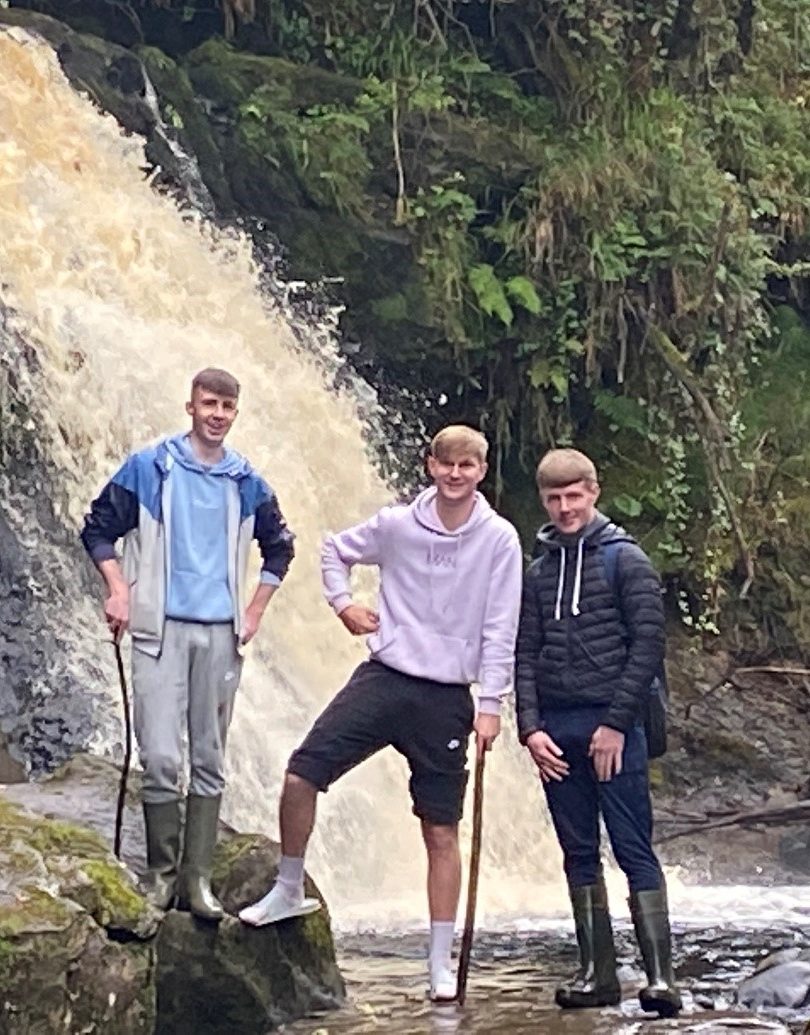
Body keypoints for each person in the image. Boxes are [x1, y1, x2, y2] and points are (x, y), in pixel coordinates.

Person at [238, 425, 523, 1001]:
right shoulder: (397, 525)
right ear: (430, 465)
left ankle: (439, 961)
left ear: (481, 471)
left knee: (440, 829)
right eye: (446, 463)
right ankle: (288, 888)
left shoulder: (499, 539)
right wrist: (343, 604)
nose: (455, 474)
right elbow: (334, 550)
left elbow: (501, 624)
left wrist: (491, 704)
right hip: (385, 677)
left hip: (447, 695)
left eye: (467, 465)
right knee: (301, 773)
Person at [81, 367, 294, 921]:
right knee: (158, 756)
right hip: (158, 629)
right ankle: (161, 876)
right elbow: (97, 528)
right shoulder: (149, 468)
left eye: (226, 406)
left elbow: (280, 547)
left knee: (209, 757)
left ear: (235, 413)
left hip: (221, 633)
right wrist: (118, 590)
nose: (217, 415)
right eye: (209, 404)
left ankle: (196, 882)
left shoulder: (246, 481)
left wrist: (254, 610)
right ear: (190, 406)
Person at [515, 448, 681, 1017]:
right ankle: (597, 974)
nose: (565, 507)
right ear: (544, 500)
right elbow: (525, 653)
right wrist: (530, 729)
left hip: (615, 728)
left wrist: (615, 724)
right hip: (556, 731)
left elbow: (649, 646)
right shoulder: (538, 572)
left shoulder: (625, 560)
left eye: (573, 496)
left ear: (593, 492)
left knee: (633, 847)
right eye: (554, 498)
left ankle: (660, 979)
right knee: (578, 852)